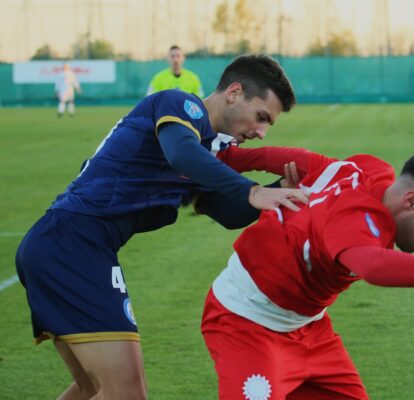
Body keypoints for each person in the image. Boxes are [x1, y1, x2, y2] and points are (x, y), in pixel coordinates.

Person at [16, 54, 309, 400]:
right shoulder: (179, 104)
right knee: (126, 394)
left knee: (91, 388)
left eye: (268, 125)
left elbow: (227, 212)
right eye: (261, 117)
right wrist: (253, 190)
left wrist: (280, 192)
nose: (261, 132)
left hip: (69, 244)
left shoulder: (204, 149)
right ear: (233, 92)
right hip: (72, 244)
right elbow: (181, 155)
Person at [201, 151, 414, 399]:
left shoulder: (371, 171)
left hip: (310, 331)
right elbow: (375, 266)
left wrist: (229, 158)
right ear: (411, 201)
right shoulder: (354, 221)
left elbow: (303, 160)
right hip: (244, 323)